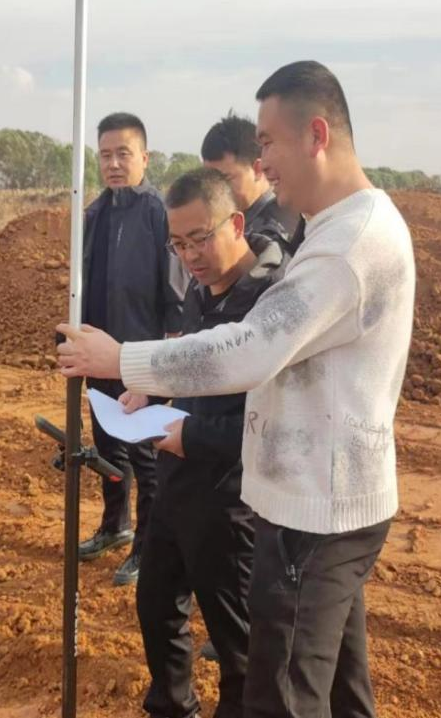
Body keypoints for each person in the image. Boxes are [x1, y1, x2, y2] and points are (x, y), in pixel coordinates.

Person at [57, 61, 415, 717]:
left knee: (280, 696)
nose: (261, 163)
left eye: (267, 143)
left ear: (315, 135)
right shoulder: (335, 229)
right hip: (320, 496)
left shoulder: (346, 246)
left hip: (315, 507)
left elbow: (251, 348)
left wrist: (124, 359)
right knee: (339, 689)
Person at [125, 167, 282, 718]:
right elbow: (194, 372)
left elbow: (264, 427)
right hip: (177, 484)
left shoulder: (270, 304)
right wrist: (153, 389)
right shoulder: (200, 290)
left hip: (230, 502)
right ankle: (172, 707)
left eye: (199, 239)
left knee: (239, 644)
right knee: (156, 605)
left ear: (235, 224)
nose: (189, 255)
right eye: (177, 244)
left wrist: (186, 434)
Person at [79, 111, 183, 587]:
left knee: (147, 458)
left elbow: (176, 294)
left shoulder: (158, 214)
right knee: (108, 448)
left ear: (145, 156)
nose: (114, 164)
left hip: (142, 359)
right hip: (98, 355)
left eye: (123, 153)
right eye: (105, 155)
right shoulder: (95, 214)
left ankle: (147, 547)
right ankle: (114, 526)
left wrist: (166, 360)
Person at [200, 112, 299, 246]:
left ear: (258, 169)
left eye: (226, 179)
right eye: (211, 181)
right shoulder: (232, 221)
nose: (216, 191)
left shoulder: (275, 229)